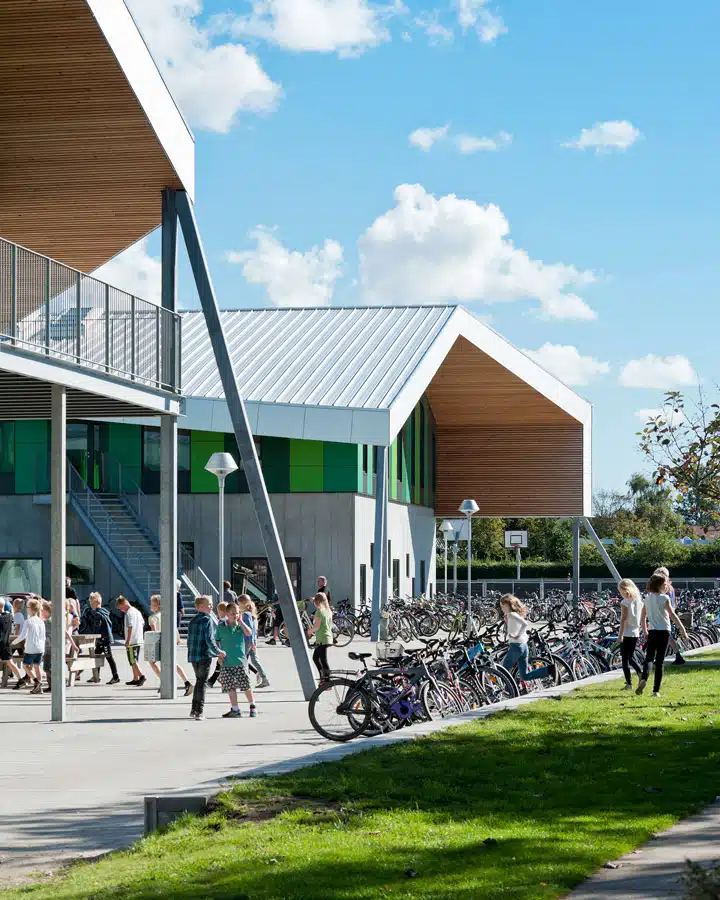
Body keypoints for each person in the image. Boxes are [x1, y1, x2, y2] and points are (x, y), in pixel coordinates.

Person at [636, 573, 689, 697]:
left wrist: (645, 631)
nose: (666, 586)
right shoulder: (664, 598)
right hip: (664, 631)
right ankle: (656, 691)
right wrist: (683, 629)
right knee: (659, 661)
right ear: (660, 585)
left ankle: (644, 679)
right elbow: (672, 615)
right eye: (665, 584)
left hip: (652, 631)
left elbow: (643, 617)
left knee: (649, 658)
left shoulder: (647, 598)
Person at [499, 594, 557, 686]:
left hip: (516, 646)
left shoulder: (511, 614)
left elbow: (524, 624)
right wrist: (507, 623)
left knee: (502, 670)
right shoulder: (513, 615)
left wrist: (516, 635)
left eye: (502, 607)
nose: (501, 609)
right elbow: (516, 626)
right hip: (523, 646)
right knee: (524, 675)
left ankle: (505, 690)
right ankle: (549, 670)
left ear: (507, 605)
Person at [215, 601, 257, 718]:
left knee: (246, 686)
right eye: (233, 613)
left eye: (237, 613)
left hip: (240, 661)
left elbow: (249, 633)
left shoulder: (240, 627)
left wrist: (241, 621)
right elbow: (217, 642)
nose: (235, 615)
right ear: (227, 614)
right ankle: (235, 708)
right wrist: (219, 655)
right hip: (227, 662)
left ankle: (252, 706)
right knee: (230, 687)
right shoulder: (221, 628)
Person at [147, 595, 193, 696]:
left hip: (160, 643)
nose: (150, 606)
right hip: (170, 641)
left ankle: (164, 681)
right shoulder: (167, 615)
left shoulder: (152, 618)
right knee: (174, 663)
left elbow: (154, 633)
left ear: (157, 606)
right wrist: (177, 638)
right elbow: (174, 628)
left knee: (152, 662)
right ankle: (187, 682)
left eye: (152, 604)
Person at [187, 595, 222, 720]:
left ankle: (193, 709)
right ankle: (199, 712)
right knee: (202, 683)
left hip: (194, 655)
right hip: (204, 655)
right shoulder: (207, 620)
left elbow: (190, 640)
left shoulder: (192, 621)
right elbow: (209, 639)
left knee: (198, 681)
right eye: (209, 604)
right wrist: (218, 652)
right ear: (201, 606)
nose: (212, 606)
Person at [80, 592, 120, 685]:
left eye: (92, 603)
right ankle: (96, 675)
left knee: (109, 657)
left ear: (97, 602)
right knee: (96, 656)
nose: (90, 605)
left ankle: (116, 676)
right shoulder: (99, 612)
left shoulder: (100, 613)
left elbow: (96, 618)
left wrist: (88, 612)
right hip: (100, 640)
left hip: (105, 639)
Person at [12, 598, 45, 694]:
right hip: (40, 647)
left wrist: (13, 642)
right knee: (37, 667)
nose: (26, 609)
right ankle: (39, 687)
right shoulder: (41, 621)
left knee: (25, 666)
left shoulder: (28, 621)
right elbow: (43, 636)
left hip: (31, 648)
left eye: (27, 607)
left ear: (31, 609)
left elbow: (22, 636)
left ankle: (37, 681)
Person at [654, 567, 685, 666]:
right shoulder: (671, 587)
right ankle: (675, 655)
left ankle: (670, 656)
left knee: (664, 636)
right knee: (667, 636)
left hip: (663, 614)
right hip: (669, 613)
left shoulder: (664, 587)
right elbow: (674, 602)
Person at [238, 595, 270, 689]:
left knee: (241, 660)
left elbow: (249, 630)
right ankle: (264, 678)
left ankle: (244, 681)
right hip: (251, 640)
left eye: (239, 604)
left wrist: (251, 642)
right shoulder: (251, 614)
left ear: (244, 604)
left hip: (247, 640)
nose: (238, 606)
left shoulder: (246, 615)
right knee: (254, 660)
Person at [617, 579, 644, 690]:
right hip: (635, 632)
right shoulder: (639, 601)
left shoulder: (625, 602)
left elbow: (623, 619)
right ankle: (640, 673)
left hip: (626, 632)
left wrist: (620, 635)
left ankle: (629, 683)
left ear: (624, 590)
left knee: (625, 660)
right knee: (631, 656)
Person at [115, 596, 146, 687]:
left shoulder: (129, 613)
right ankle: (135, 678)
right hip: (139, 639)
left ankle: (141, 676)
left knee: (133, 660)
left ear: (123, 604)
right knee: (134, 659)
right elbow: (143, 623)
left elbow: (130, 626)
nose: (121, 610)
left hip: (132, 641)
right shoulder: (137, 611)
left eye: (120, 608)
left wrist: (128, 640)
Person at [309, 592, 333, 681]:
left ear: (317, 602)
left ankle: (326, 680)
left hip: (322, 639)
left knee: (322, 659)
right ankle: (324, 677)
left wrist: (308, 631)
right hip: (327, 637)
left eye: (315, 602)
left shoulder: (319, 612)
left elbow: (316, 627)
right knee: (317, 658)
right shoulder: (328, 611)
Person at [0, 602, 22, 684]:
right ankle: (20, 679)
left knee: (10, 663)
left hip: (1, 643)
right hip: (6, 644)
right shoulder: (9, 616)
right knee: (11, 663)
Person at [207, 601, 227, 688]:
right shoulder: (227, 620)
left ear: (222, 611)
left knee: (220, 664)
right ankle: (213, 680)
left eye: (218, 611)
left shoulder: (222, 621)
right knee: (220, 664)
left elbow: (219, 635)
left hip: (222, 645)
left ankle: (212, 681)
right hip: (226, 645)